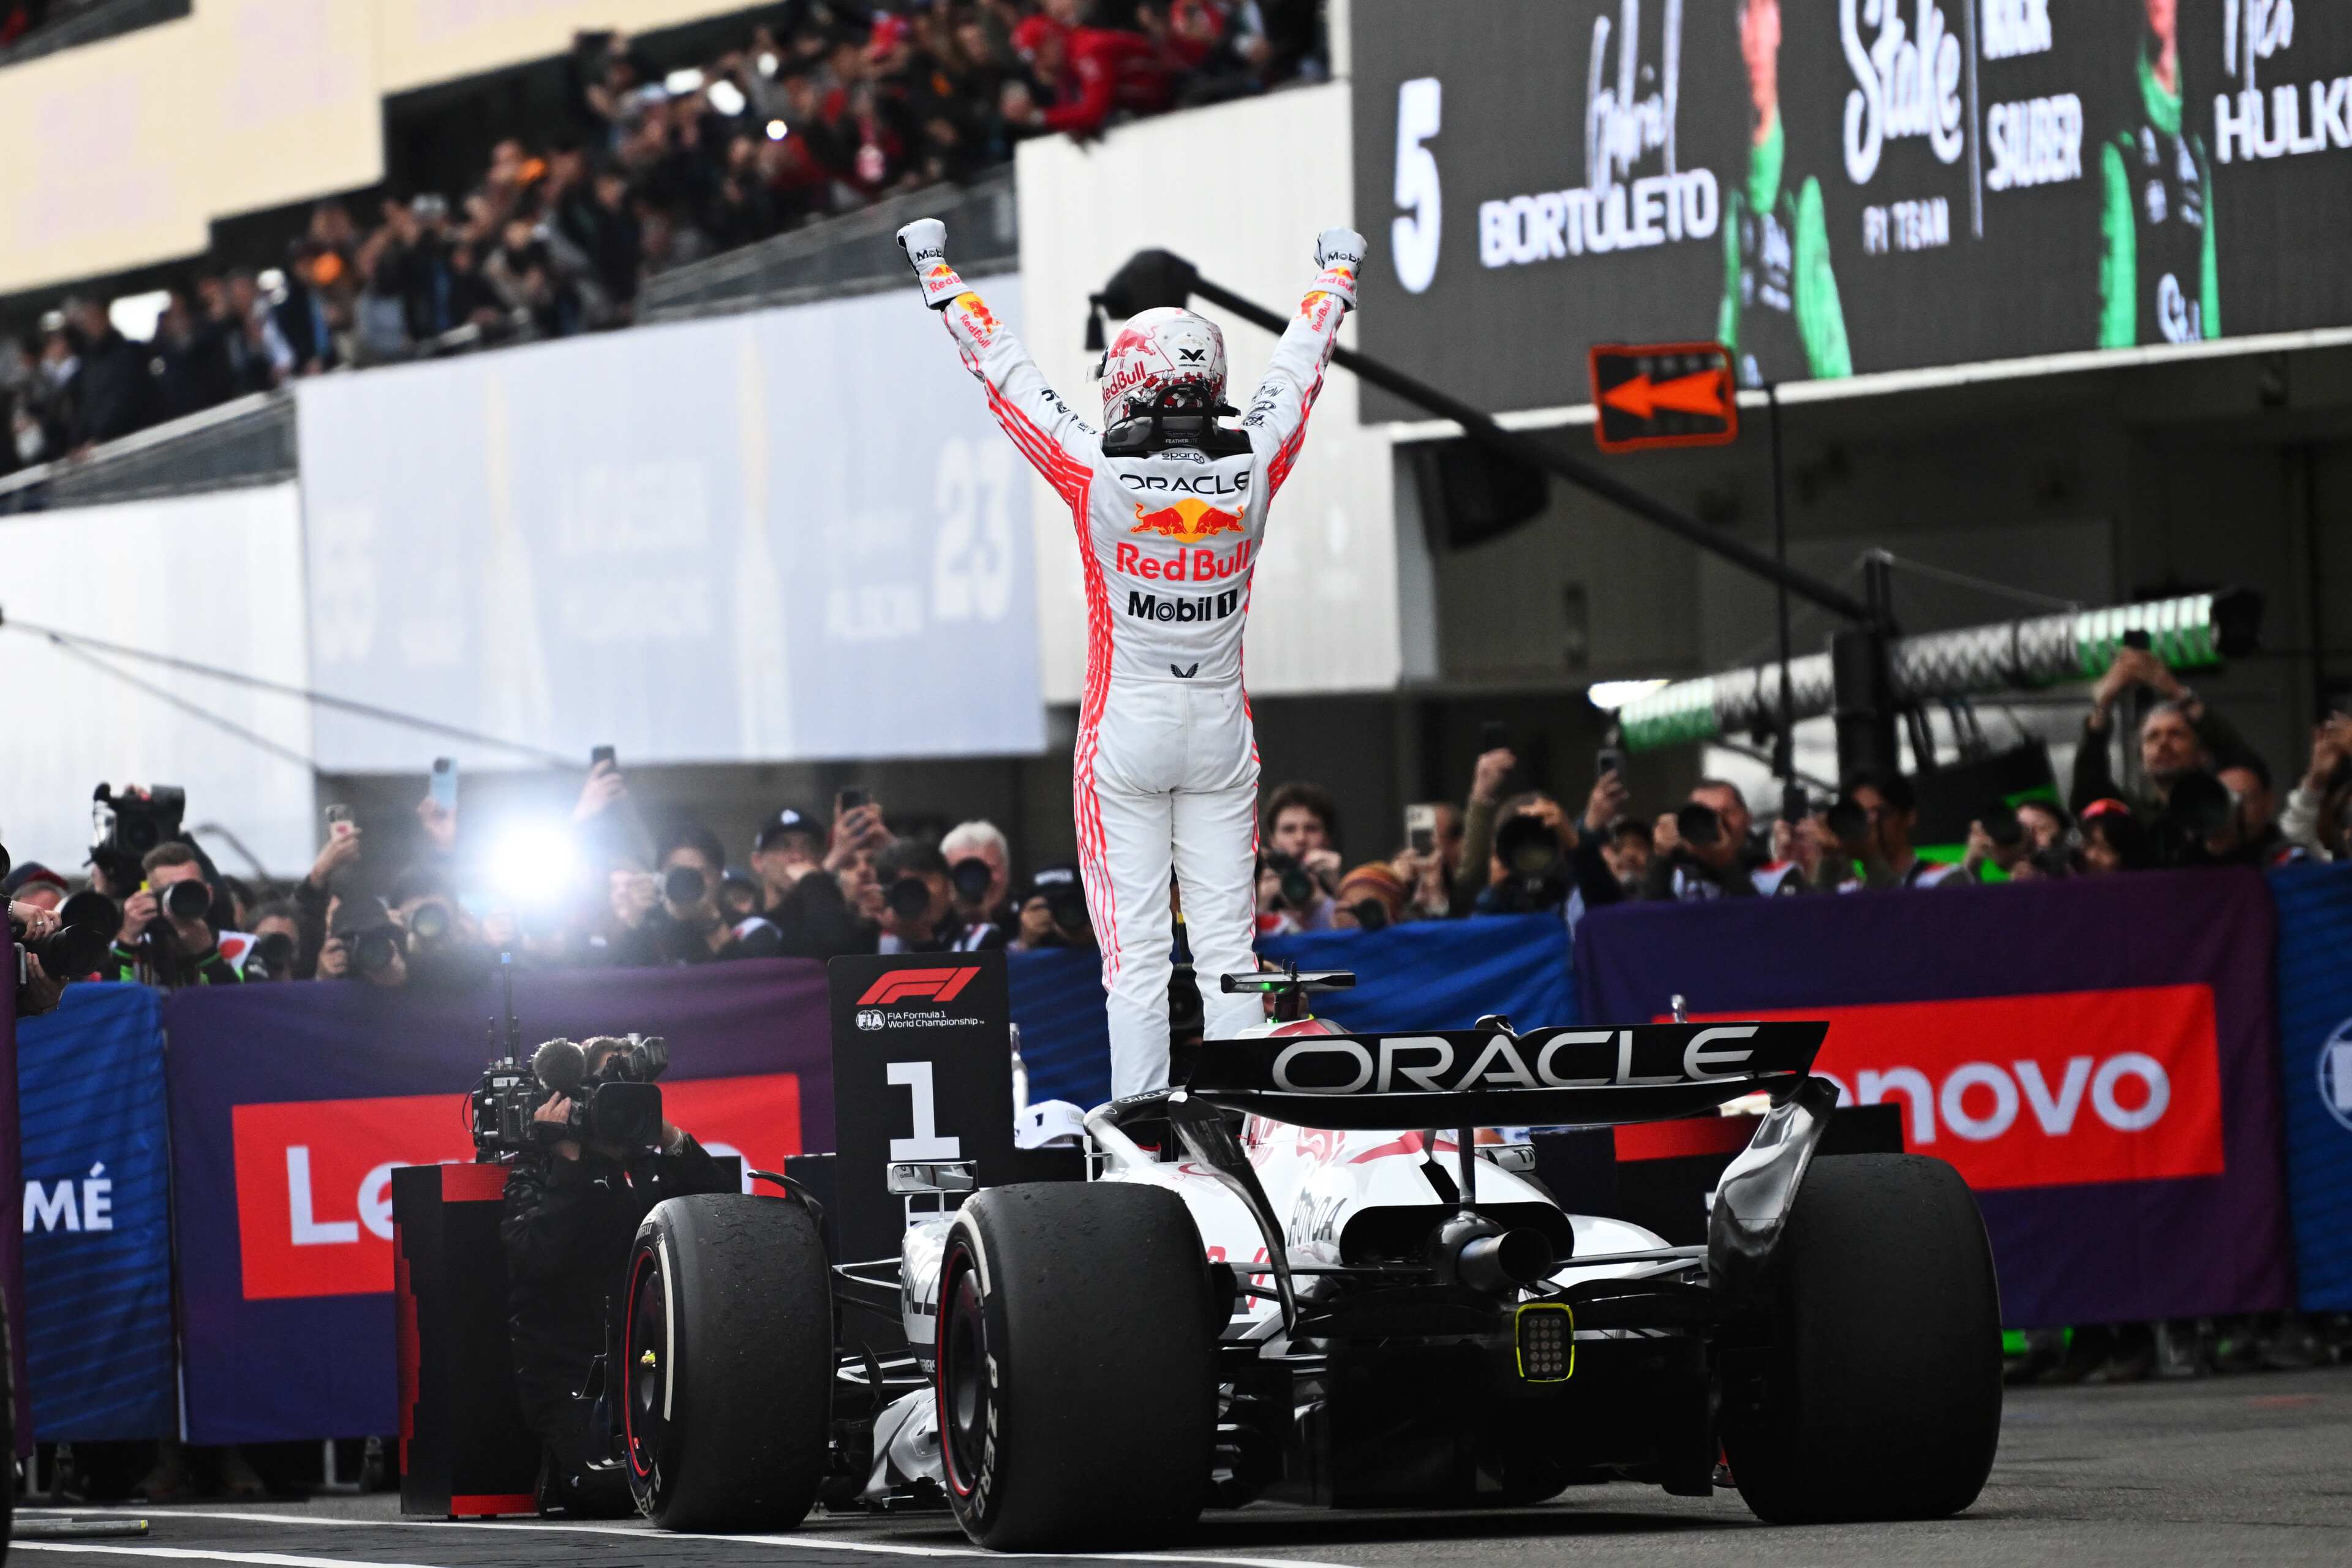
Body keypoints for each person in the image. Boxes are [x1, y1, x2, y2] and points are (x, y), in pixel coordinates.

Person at [895, 213, 1363, 1099]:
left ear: (1129, 382)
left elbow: (1010, 377)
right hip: (1221, 732)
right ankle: (1253, 1122)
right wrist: (1335, 277)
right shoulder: (1254, 463)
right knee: (1230, 953)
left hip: (1125, 732)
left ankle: (1144, 1131)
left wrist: (939, 276)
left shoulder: (1094, 469)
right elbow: (1298, 373)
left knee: (1137, 959)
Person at [500, 1038, 725, 1515]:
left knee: (717, 1471)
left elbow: (726, 1226)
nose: (621, 1106)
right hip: (576, 1370)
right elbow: (540, 1258)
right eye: (610, 1093)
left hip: (665, 1359)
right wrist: (570, 1161)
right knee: (607, 1489)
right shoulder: (542, 1167)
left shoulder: (652, 1168)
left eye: (632, 1094)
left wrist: (670, 1138)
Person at [1718, 0, 1850, 388]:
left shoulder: (1806, 180)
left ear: (1778, 27)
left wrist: (1841, 402)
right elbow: (1729, 312)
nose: (1755, 37)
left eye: (1764, 14)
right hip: (1749, 408)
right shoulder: (1731, 185)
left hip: (1803, 406)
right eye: (1747, 17)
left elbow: (1822, 310)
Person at [2098, 0, 2218, 349]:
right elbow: (2117, 316)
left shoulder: (2197, 151)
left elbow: (2209, 301)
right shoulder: (2122, 153)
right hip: (2144, 375)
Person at [2069, 645, 2249, 818]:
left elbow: (2237, 760)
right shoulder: (2138, 823)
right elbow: (2088, 795)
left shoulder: (2224, 813)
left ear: (2202, 754)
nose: (2163, 743)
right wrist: (2103, 706)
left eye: (2176, 734)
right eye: (2152, 737)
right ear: (2142, 761)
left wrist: (2177, 692)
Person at [108, 842, 244, 987]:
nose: (182, 898)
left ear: (209, 894)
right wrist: (127, 941)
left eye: (190, 889)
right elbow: (109, 997)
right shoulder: (126, 950)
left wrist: (208, 954)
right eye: (170, 891)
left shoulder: (242, 949)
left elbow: (239, 1000)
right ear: (149, 897)